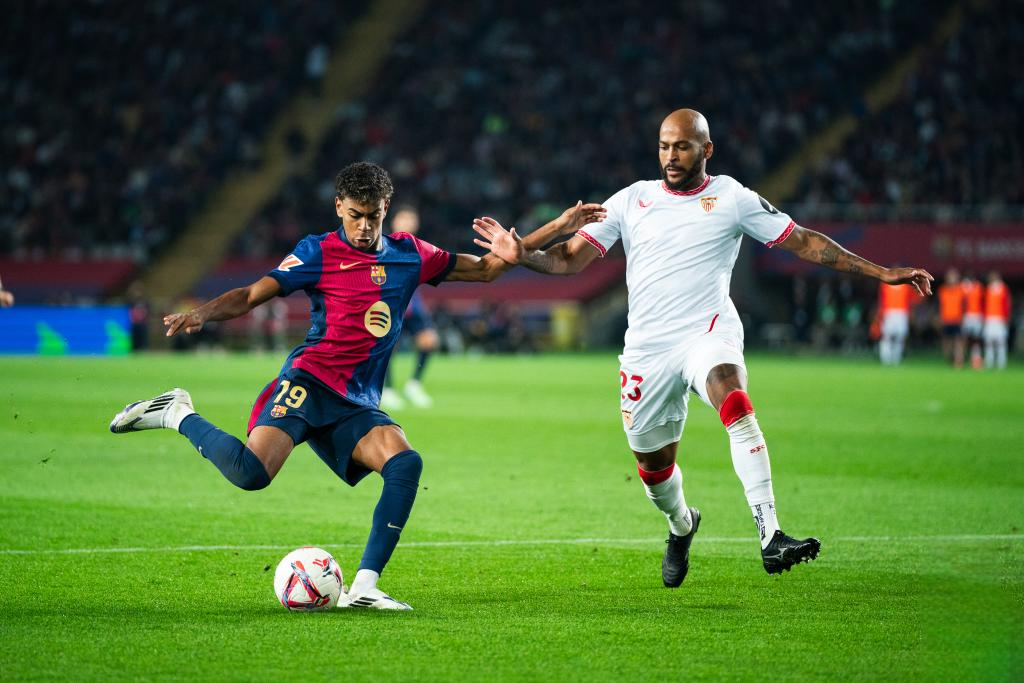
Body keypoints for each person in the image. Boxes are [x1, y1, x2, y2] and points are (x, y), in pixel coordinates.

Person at [109, 162, 603, 609]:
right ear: (339, 208)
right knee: (250, 474)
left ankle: (364, 587)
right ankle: (177, 411)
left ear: (386, 209)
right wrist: (202, 314)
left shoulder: (412, 256)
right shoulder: (317, 252)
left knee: (406, 463)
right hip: (309, 382)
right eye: (355, 216)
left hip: (356, 401)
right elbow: (251, 294)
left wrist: (557, 228)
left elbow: (492, 267)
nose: (365, 227)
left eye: (373, 216)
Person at [472, 109, 933, 585]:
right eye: (665, 146)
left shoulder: (732, 197)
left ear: (706, 150)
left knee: (734, 399)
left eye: (683, 146)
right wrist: (524, 253)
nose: (671, 156)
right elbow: (568, 260)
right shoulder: (633, 199)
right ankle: (681, 524)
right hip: (647, 352)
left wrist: (882, 272)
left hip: (706, 333)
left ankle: (771, 535)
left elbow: (804, 243)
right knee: (654, 470)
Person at [380, 206, 440, 410]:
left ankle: (414, 384)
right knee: (388, 348)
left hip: (413, 304)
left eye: (411, 219)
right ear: (394, 221)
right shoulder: (383, 245)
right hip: (390, 305)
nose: (407, 222)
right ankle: (387, 390)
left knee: (429, 341)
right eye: (403, 218)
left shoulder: (417, 247)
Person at [982, 270, 1011, 369]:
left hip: (1000, 319)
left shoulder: (1003, 288)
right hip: (989, 318)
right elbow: (985, 304)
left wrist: (1006, 318)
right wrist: (984, 317)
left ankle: (1001, 363)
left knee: (1001, 342)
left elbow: (1007, 304)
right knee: (989, 342)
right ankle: (989, 362)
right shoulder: (988, 288)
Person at [937, 268, 965, 368]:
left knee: (958, 342)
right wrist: (940, 318)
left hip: (957, 320)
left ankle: (959, 362)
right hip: (946, 320)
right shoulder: (942, 290)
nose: (951, 279)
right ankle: (950, 359)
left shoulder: (961, 289)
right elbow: (941, 305)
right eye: (950, 276)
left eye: (953, 276)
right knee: (947, 344)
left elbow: (965, 305)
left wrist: (963, 317)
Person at [961, 272, 985, 369]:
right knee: (965, 338)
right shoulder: (963, 287)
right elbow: (962, 302)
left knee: (976, 338)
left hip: (977, 315)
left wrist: (983, 315)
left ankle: (976, 359)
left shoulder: (979, 287)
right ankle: (962, 359)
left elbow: (983, 301)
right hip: (966, 316)